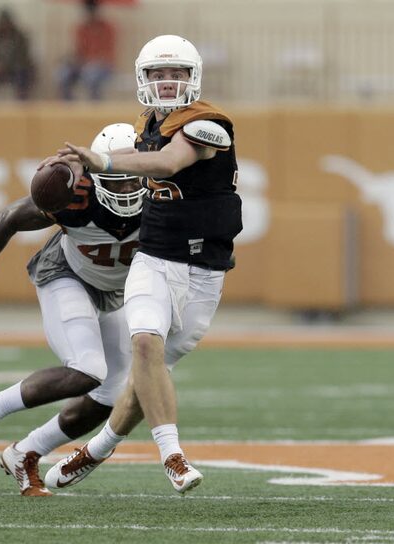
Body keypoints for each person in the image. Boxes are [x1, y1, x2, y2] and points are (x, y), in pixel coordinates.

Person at [43, 34, 242, 494]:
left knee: (144, 378)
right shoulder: (145, 124)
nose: (167, 82)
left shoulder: (209, 123)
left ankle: (96, 450)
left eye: (176, 74)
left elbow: (170, 163)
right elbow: (145, 156)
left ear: (193, 79)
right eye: (158, 73)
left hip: (206, 269)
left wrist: (104, 160)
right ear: (142, 78)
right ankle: (173, 457)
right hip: (154, 257)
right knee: (146, 346)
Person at [0, 123, 146, 496]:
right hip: (65, 273)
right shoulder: (74, 195)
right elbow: (10, 218)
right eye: (118, 179)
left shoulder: (167, 198)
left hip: (113, 292)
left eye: (136, 178)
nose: (129, 187)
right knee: (88, 369)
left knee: (112, 395)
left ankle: (26, 452)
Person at [57, 0, 116, 101]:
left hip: (103, 67)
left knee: (91, 75)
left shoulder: (107, 28)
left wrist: (92, 62)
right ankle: (69, 107)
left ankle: (94, 108)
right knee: (63, 74)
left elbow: (108, 55)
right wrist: (70, 60)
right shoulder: (81, 29)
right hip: (83, 66)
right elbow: (78, 52)